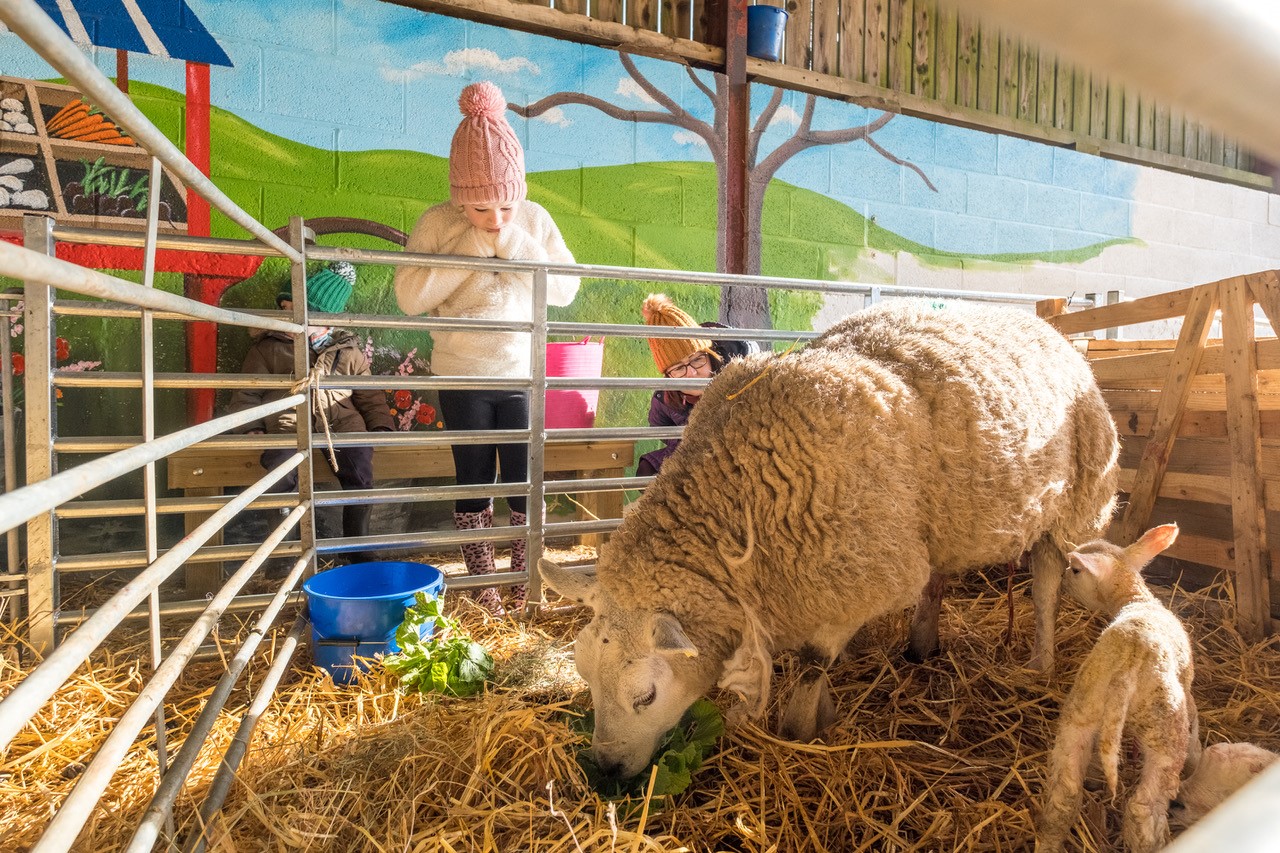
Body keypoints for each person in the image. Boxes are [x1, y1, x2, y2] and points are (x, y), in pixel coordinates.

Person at [393, 81, 580, 614]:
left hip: (522, 374)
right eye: (478, 208)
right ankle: (487, 593)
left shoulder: (533, 220)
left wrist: (513, 243)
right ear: (458, 196)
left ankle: (524, 585)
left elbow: (565, 289)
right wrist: (473, 249)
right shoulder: (438, 223)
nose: (494, 219)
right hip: (463, 376)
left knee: (523, 481)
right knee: (474, 478)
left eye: (504, 204)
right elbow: (409, 296)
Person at [227, 261, 393, 565]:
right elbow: (246, 392)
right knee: (279, 470)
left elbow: (370, 395)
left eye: (302, 314)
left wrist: (380, 426)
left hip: (342, 424)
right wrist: (252, 427)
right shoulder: (267, 349)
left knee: (359, 468)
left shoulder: (348, 352)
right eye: (287, 310)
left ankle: (358, 545)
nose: (293, 320)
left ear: (326, 320)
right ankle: (287, 550)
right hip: (288, 426)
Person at [637, 293, 757, 477]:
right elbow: (664, 432)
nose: (691, 372)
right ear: (668, 375)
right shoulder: (664, 400)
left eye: (697, 359)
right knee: (648, 470)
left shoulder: (737, 375)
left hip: (738, 450)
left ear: (708, 354)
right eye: (678, 368)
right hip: (693, 452)